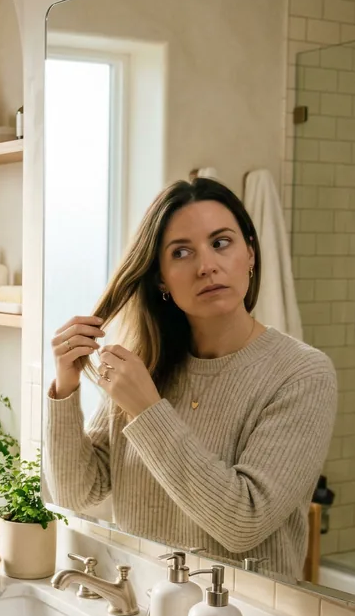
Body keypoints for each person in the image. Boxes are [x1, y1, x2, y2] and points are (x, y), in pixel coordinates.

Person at [46, 177, 337, 579]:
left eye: (221, 243)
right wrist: (66, 387)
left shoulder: (301, 373)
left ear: (250, 253)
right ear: (161, 278)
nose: (207, 266)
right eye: (181, 252)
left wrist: (148, 410)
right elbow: (78, 493)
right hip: (146, 609)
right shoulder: (146, 362)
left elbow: (243, 522)